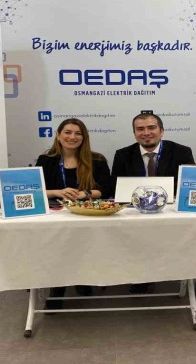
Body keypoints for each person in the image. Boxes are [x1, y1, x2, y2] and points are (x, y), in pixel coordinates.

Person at [111, 112, 196, 303]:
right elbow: (116, 187)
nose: (146, 133)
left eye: (151, 128)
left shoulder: (181, 151)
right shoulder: (123, 154)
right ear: (134, 133)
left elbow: (189, 183)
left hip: (171, 210)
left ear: (161, 131)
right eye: (140, 129)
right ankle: (142, 275)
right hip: (137, 212)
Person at [35, 118, 111, 309]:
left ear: (84, 137)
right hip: (56, 215)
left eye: (78, 133)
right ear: (58, 135)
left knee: (84, 246)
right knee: (60, 246)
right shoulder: (46, 160)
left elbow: (107, 189)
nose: (72, 137)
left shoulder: (97, 160)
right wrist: (57, 192)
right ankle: (57, 288)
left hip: (87, 213)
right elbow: (36, 190)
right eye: (67, 132)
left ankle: (82, 279)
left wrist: (85, 193)